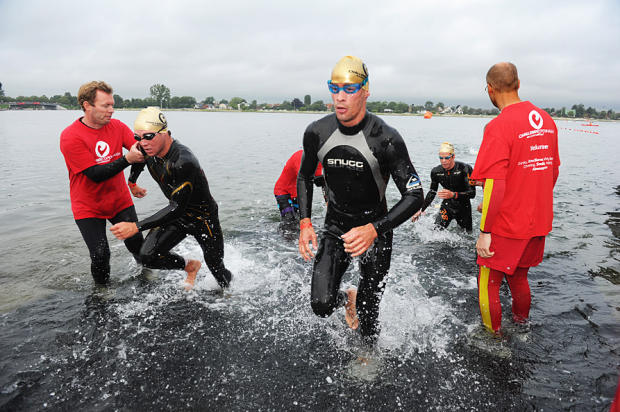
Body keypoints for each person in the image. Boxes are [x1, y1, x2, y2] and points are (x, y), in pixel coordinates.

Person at [297, 55, 424, 343]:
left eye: (349, 89)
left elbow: (415, 195)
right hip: (336, 226)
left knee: (369, 315)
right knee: (321, 305)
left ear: (365, 91)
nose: (340, 97)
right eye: (334, 88)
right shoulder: (317, 132)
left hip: (375, 229)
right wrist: (305, 222)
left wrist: (374, 229)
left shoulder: (386, 138)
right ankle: (347, 298)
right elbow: (304, 176)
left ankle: (367, 355)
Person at [472, 62, 560, 334]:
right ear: (518, 84)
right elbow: (552, 171)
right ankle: (522, 325)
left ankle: (494, 339)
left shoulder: (498, 126)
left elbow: (495, 183)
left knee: (488, 281)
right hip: (537, 220)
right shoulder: (546, 121)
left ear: (490, 89)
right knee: (519, 276)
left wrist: (485, 231)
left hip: (507, 224)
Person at [110, 107, 233, 290]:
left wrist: (136, 226)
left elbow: (177, 207)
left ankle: (229, 293)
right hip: (178, 216)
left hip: (203, 218)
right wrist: (132, 182)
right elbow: (139, 159)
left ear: (165, 133)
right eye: (138, 137)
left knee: (216, 267)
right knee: (147, 256)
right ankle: (191, 266)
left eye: (148, 136)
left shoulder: (183, 161)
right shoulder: (147, 147)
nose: (143, 143)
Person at [59, 81, 145, 284]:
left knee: (138, 245)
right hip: (88, 205)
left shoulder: (117, 127)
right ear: (87, 105)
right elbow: (95, 174)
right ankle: (102, 292)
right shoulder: (70, 136)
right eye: (105, 105)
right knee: (100, 254)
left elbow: (141, 152)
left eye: (112, 105)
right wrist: (126, 159)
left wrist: (132, 182)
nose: (111, 110)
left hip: (119, 200)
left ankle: (148, 275)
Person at [412, 142, 476, 231]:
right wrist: (421, 209)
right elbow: (432, 192)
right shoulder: (436, 171)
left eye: (447, 158)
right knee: (436, 232)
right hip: (447, 206)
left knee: (467, 235)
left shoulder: (464, 168)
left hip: (464, 207)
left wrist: (453, 195)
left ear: (453, 157)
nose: (443, 161)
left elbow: (472, 193)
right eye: (441, 158)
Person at [274, 149, 324, 225]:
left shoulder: (318, 161)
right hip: (282, 191)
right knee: (289, 220)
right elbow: (304, 180)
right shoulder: (300, 157)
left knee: (298, 219)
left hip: (297, 193)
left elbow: (318, 181)